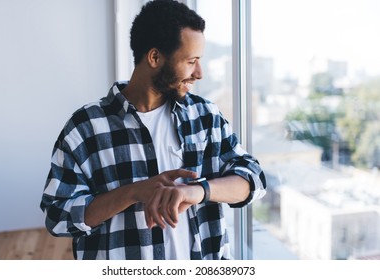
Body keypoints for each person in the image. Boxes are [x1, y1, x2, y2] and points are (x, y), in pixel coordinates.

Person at [40, 0, 266, 260]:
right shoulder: (85, 128)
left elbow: (254, 179)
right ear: (155, 57)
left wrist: (197, 191)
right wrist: (133, 192)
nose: (199, 73)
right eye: (191, 61)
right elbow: (57, 216)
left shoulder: (205, 116)